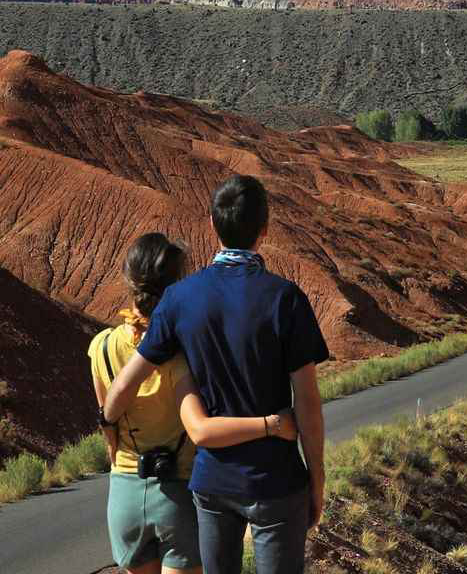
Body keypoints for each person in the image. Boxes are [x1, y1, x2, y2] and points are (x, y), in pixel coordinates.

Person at [103, 176, 330, 574]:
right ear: (265, 229)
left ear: (211, 224)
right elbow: (307, 401)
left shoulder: (178, 298)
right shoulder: (286, 298)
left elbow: (125, 384)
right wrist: (317, 479)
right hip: (276, 480)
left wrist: (109, 427)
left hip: (213, 481)